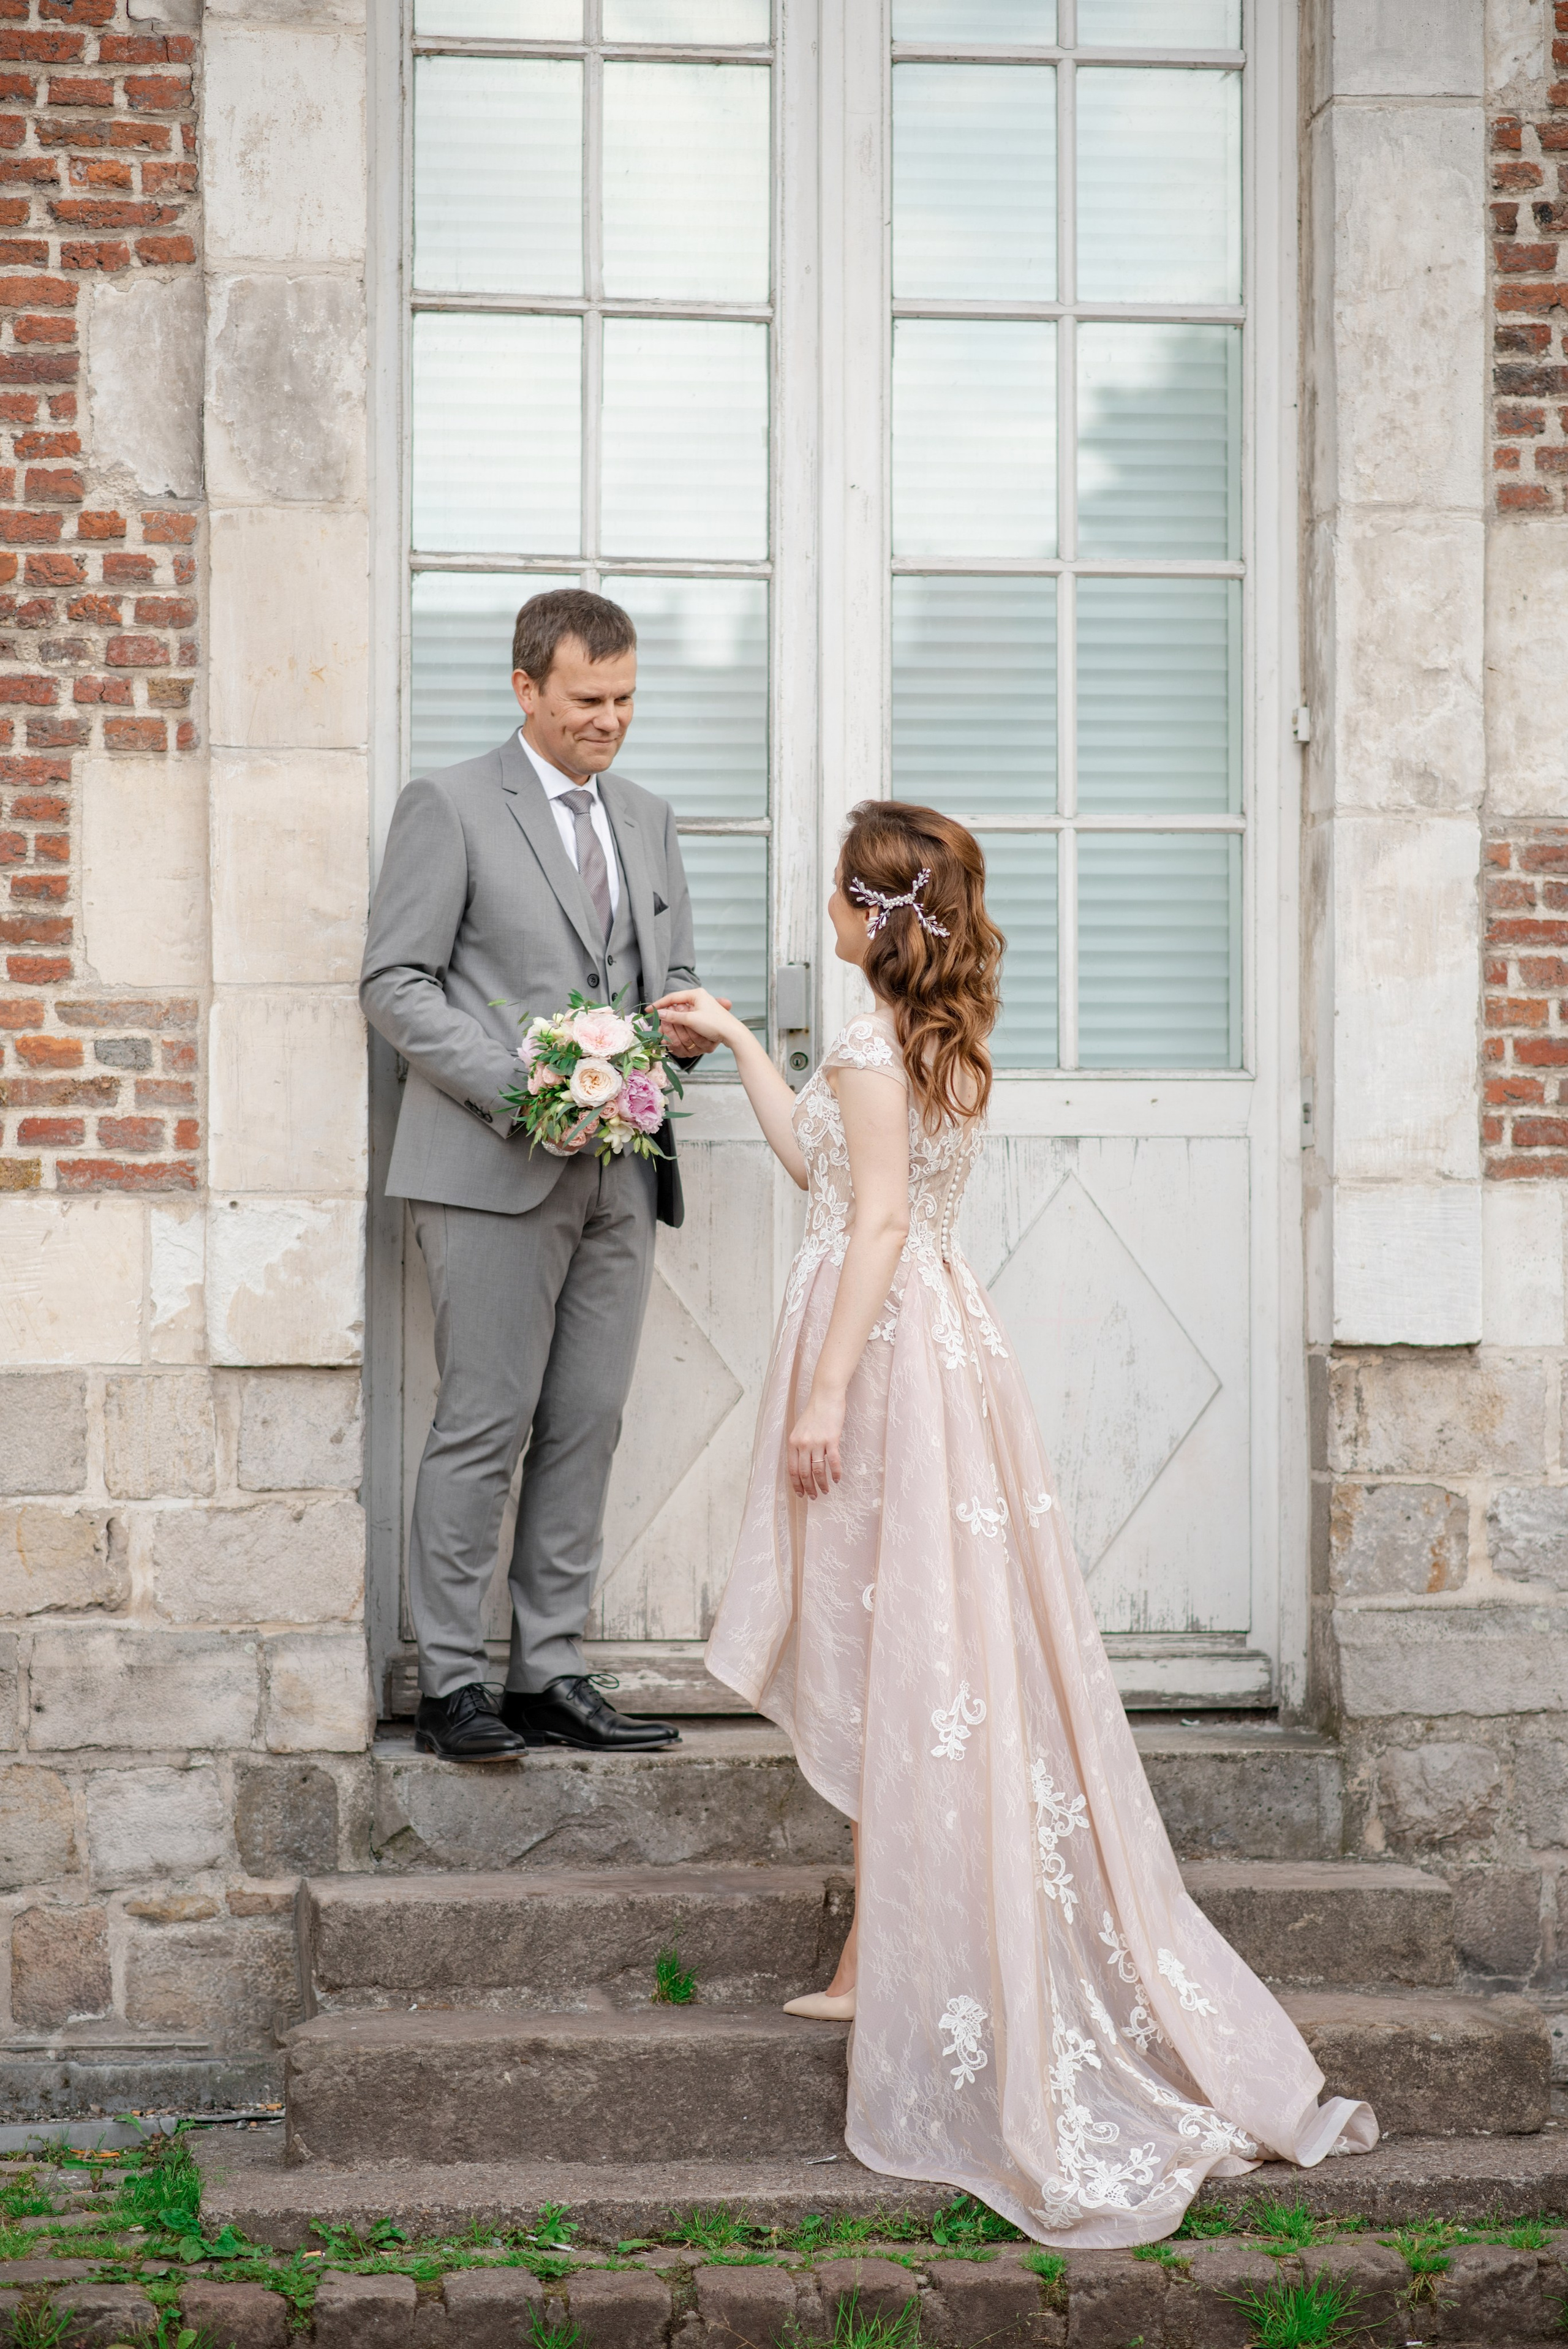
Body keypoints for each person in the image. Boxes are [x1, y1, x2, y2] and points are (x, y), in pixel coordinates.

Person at [653, 799, 1377, 2246]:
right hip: (924, 1336)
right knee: (899, 1639)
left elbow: (865, 1223)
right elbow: (825, 1171)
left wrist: (826, 1394)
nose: (829, 916)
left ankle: (885, 1949)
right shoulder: (899, 1033)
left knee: (895, 1635)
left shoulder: (872, 1038)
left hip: (884, 1353)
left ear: (871, 908)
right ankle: (873, 1941)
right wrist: (736, 1041)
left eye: (841, 897)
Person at [361, 588, 723, 1762]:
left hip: (624, 1173)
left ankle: (549, 1672)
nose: (609, 722)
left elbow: (662, 972)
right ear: (527, 689)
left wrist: (680, 1030)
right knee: (484, 1420)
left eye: (624, 701)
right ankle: (455, 1685)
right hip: (489, 1169)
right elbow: (396, 984)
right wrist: (529, 1086)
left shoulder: (651, 817)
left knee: (587, 1423)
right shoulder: (450, 805)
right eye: (586, 701)